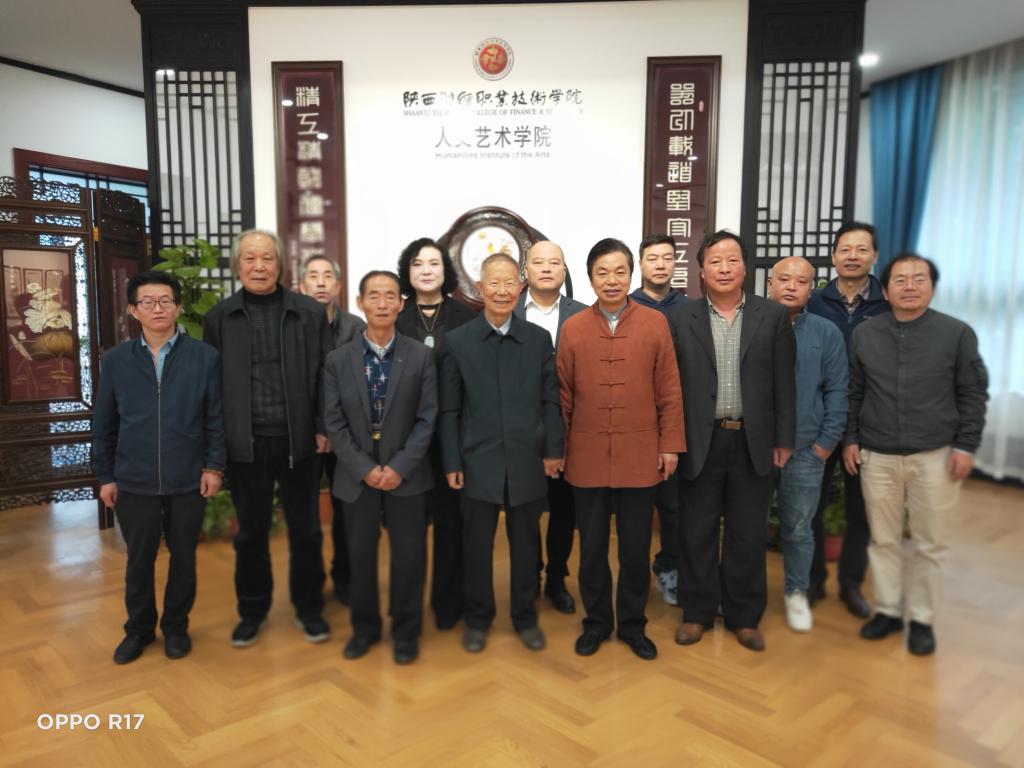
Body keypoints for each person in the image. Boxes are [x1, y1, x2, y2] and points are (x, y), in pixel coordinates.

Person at [844, 253, 987, 656]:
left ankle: (922, 619)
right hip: (877, 454)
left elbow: (972, 393)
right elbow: (855, 392)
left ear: (932, 287)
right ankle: (888, 610)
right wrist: (850, 439)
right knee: (883, 540)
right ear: (886, 290)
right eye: (900, 280)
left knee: (929, 543)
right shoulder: (866, 334)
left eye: (918, 279)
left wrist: (966, 445)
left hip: (935, 455)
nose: (909, 286)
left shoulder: (956, 333)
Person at [203, 228, 333, 647]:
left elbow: (327, 375)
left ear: (280, 265)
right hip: (247, 445)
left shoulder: (308, 313)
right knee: (250, 534)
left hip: (300, 442)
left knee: (306, 531)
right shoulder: (220, 318)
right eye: (250, 258)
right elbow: (212, 389)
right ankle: (252, 611)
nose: (258, 266)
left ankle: (309, 608)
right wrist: (218, 447)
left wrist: (323, 427)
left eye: (267, 258)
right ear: (237, 266)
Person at [668, 230, 795, 652]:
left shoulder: (772, 316)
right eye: (715, 261)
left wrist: (784, 438)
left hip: (752, 441)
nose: (724, 268)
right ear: (701, 271)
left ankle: (744, 615)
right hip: (699, 441)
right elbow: (670, 388)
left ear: (745, 267)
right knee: (696, 531)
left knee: (747, 532)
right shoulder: (680, 319)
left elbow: (785, 383)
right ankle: (697, 612)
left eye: (732, 260)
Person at [557, 238, 684, 660]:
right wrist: (560, 448)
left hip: (640, 454)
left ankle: (632, 625)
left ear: (631, 275)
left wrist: (670, 445)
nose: (611, 280)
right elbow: (563, 396)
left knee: (635, 549)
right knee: (592, 549)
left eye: (619, 272)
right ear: (590, 278)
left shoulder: (654, 323)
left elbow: (669, 390)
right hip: (586, 454)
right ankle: (596, 623)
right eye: (602, 272)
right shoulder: (573, 327)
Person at [92, 271, 225, 663]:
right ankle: (138, 630)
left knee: (184, 557)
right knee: (139, 559)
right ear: (134, 311)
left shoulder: (204, 357)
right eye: (147, 302)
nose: (157, 308)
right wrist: (106, 475)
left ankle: (176, 627)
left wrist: (214, 466)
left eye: (165, 301)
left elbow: (216, 418)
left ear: (178, 307)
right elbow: (104, 423)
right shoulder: (116, 360)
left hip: (188, 476)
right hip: (134, 478)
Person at [441, 253, 564, 653]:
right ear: (480, 289)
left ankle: (525, 617)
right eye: (493, 283)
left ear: (521, 287)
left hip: (527, 458)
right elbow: (450, 409)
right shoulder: (457, 342)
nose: (502, 291)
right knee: (476, 546)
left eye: (510, 283)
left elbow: (550, 400)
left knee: (527, 545)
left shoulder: (538, 340)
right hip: (476, 459)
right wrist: (452, 460)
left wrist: (553, 450)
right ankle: (478, 619)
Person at [323, 270, 436, 665]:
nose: (383, 303)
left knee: (410, 556)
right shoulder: (338, 360)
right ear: (360, 303)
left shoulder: (421, 356)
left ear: (401, 304)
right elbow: (333, 422)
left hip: (408, 474)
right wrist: (364, 468)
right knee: (359, 556)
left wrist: (400, 466)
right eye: (374, 296)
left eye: (391, 296)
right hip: (357, 477)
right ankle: (364, 629)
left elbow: (427, 418)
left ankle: (406, 632)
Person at [806, 222, 890, 617]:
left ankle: (851, 584)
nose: (853, 256)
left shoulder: (888, 305)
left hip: (869, 422)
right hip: (819, 419)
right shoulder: (814, 302)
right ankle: (812, 579)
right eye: (845, 249)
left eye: (861, 249)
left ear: (875, 256)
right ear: (834, 256)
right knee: (810, 505)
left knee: (862, 509)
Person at [396, 237, 477, 630]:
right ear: (406, 272)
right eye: (417, 263)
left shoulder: (466, 316)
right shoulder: (395, 315)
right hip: (405, 437)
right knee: (409, 528)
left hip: (451, 436)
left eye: (433, 263)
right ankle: (407, 608)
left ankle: (448, 604)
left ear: (446, 271)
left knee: (451, 524)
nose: (426, 270)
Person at [767, 257, 848, 632]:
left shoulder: (826, 332)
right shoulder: (753, 324)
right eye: (784, 279)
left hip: (805, 449)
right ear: (770, 283)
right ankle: (744, 592)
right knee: (746, 527)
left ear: (811, 289)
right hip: (755, 448)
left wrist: (825, 445)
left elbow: (838, 390)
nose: (791, 287)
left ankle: (796, 592)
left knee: (799, 529)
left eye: (801, 282)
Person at [513, 239, 587, 615]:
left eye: (554, 262)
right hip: (520, 431)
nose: (546, 268)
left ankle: (557, 578)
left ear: (564, 270)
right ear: (525, 271)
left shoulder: (583, 314)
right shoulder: (508, 312)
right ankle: (529, 576)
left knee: (564, 510)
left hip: (570, 429)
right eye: (538, 262)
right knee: (524, 511)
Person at [298, 253, 366, 605]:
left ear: (339, 285)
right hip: (305, 435)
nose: (321, 282)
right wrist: (316, 427)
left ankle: (346, 578)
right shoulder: (291, 326)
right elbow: (296, 386)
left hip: (347, 436)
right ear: (301, 285)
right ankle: (310, 585)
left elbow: (358, 385)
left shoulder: (356, 327)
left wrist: (332, 428)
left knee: (347, 513)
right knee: (306, 515)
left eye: (328, 276)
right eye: (313, 275)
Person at [629, 233, 688, 606]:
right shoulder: (625, 305)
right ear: (641, 264)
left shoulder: (690, 309)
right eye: (653, 258)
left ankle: (669, 568)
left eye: (668, 258)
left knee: (674, 507)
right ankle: (632, 579)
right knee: (633, 511)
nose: (661, 264)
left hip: (674, 422)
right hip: (632, 425)